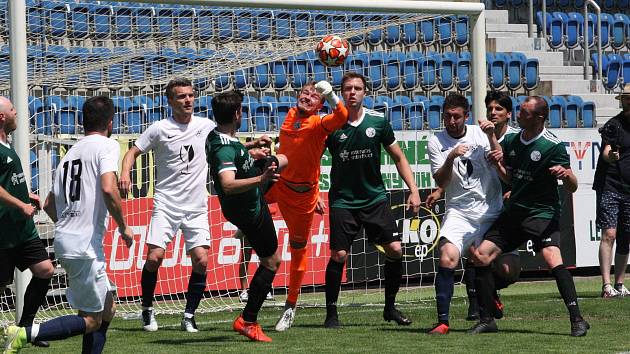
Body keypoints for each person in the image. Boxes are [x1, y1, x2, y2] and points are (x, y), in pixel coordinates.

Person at [3, 96, 134, 353]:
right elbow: (109, 189)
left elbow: (50, 203)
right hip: (84, 247)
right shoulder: (106, 146)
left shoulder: (70, 153)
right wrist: (123, 226)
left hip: (68, 239)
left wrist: (68, 226)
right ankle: (25, 333)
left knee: (107, 308)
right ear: (110, 122)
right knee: (92, 320)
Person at [468, 96, 589, 337]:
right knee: (480, 256)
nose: (519, 116)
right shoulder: (513, 140)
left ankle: (577, 319)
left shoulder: (551, 146)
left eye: (524, 113)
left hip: (542, 213)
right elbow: (509, 178)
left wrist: (566, 174)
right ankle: (487, 318)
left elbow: (573, 186)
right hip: (516, 211)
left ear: (538, 118)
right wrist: (497, 166)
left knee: (552, 257)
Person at [323, 72, 421, 329]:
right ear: (341, 93)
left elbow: (399, 157)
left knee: (396, 250)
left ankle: (389, 307)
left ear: (365, 93)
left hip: (374, 198)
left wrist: (413, 189)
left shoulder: (378, 121)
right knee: (339, 254)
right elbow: (312, 160)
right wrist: (312, 193)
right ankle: (331, 314)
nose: (352, 92)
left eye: (357, 88)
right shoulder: (331, 125)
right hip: (343, 201)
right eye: (347, 88)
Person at [206, 90, 288, 342]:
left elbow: (230, 149)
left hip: (248, 196)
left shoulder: (216, 135)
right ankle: (248, 320)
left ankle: (247, 228)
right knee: (272, 261)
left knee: (281, 159)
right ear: (237, 114)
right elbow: (228, 183)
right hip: (249, 208)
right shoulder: (224, 151)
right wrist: (260, 179)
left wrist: (251, 147)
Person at [267, 80, 348, 332]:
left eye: (314, 96)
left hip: (301, 197)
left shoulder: (319, 123)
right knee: (243, 190)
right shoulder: (290, 115)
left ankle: (290, 306)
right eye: (305, 92)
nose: (308, 97)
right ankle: (245, 225)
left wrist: (332, 95)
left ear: (320, 105)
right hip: (278, 184)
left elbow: (342, 116)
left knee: (298, 249)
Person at [426, 93, 503, 335]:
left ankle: (490, 300)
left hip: (489, 210)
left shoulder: (480, 133)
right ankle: (443, 321)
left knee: (506, 267)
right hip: (459, 211)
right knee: (447, 256)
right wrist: (451, 156)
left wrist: (491, 136)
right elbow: (441, 180)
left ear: (465, 116)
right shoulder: (436, 141)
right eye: (448, 116)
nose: (451, 121)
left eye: (456, 116)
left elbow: (500, 157)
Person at [0, 96, 54, 348]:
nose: (17, 112)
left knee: (45, 270)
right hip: (4, 230)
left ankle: (23, 329)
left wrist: (26, 195)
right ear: (2, 117)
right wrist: (20, 204)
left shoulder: (6, 143)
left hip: (22, 229)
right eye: (12, 109)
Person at [594, 83, 630, 298]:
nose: (627, 102)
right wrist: (612, 157)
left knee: (626, 237)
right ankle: (606, 284)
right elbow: (607, 152)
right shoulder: (613, 125)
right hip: (610, 185)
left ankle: (619, 283)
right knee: (609, 233)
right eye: (625, 99)